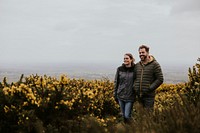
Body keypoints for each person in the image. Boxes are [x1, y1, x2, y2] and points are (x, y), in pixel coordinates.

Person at [134, 44, 163, 109]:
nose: (141, 54)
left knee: (148, 116)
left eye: (143, 52)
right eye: (140, 53)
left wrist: (149, 88)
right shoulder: (137, 65)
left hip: (149, 96)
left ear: (147, 52)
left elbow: (160, 79)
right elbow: (134, 78)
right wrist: (135, 87)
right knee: (140, 115)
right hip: (138, 96)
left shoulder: (155, 64)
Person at [114, 53, 135, 123]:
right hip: (120, 95)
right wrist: (115, 93)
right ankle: (127, 128)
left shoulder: (135, 69)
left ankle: (134, 127)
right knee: (123, 115)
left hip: (130, 96)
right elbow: (116, 82)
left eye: (127, 58)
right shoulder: (119, 69)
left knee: (127, 115)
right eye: (124, 58)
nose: (125, 60)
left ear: (131, 59)